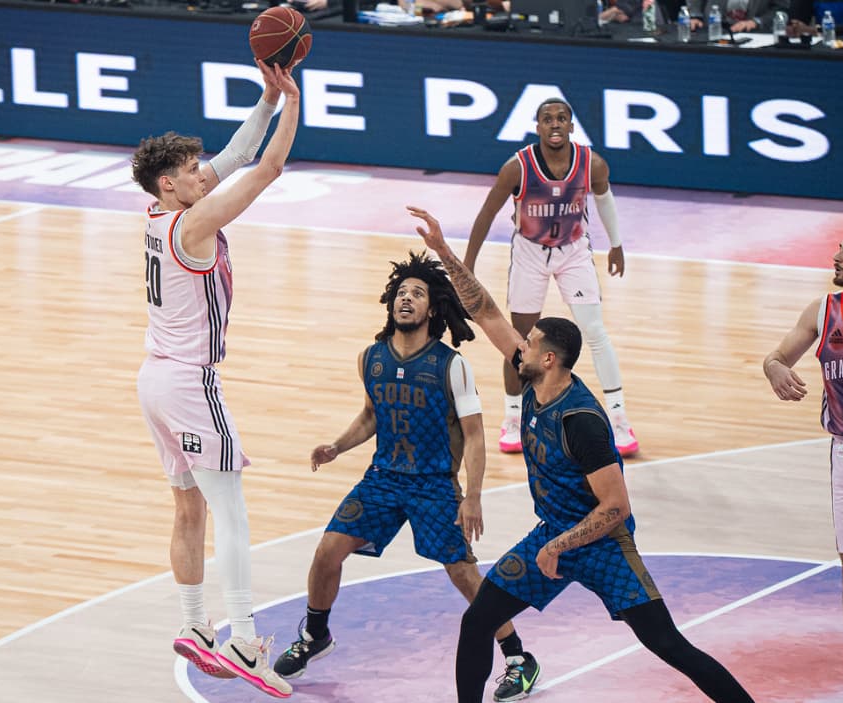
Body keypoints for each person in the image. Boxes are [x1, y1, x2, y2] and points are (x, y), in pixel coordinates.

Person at [408, 206, 757, 703]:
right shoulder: (536, 380)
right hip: (552, 535)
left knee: (666, 643)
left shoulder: (583, 422)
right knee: (477, 620)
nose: (518, 349)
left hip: (601, 546)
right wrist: (444, 252)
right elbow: (485, 310)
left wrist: (559, 546)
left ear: (548, 359)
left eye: (527, 345)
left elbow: (616, 506)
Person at [271, 253, 542, 702]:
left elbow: (475, 438)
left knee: (462, 571)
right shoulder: (371, 358)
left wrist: (472, 496)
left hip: (434, 483)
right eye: (401, 292)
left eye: (417, 293)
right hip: (383, 479)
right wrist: (338, 445)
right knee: (326, 552)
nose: (406, 299)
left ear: (432, 308)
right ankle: (315, 635)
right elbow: (370, 416)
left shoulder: (451, 365)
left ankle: (518, 656)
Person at [132, 60, 299, 699]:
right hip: (189, 383)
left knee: (188, 507)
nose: (208, 171)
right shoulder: (194, 223)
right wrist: (294, 104)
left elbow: (234, 154)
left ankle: (195, 627)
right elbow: (266, 168)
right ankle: (243, 640)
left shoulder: (160, 210)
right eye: (196, 170)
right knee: (231, 511)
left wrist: (266, 97)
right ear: (172, 184)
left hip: (152, 381)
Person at [463, 98, 637, 459]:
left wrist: (616, 244)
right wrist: (466, 266)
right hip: (529, 253)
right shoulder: (518, 168)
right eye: (547, 119)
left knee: (595, 331)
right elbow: (486, 213)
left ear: (572, 126)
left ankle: (619, 418)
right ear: (537, 126)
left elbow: (605, 201)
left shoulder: (592, 164)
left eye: (562, 118)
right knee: (519, 341)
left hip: (573, 252)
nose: (555, 124)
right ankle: (513, 417)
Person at [762, 227, 843, 703]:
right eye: (840, 249)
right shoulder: (823, 311)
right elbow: (777, 356)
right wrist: (774, 366)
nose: (836, 257)